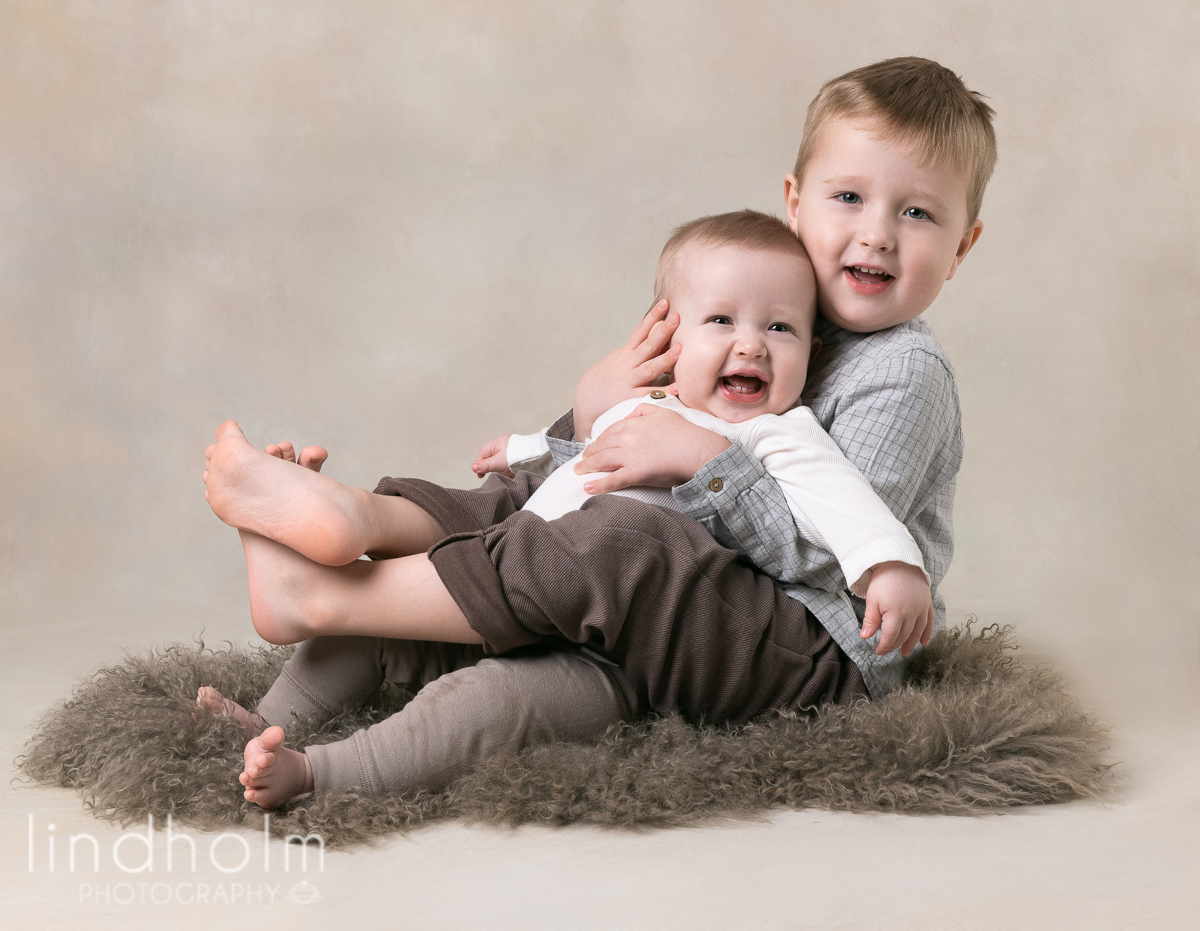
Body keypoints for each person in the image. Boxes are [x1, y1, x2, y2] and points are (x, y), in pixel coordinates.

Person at [200, 56, 995, 809]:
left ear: (963, 246)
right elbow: (630, 448)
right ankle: (316, 626)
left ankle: (321, 598)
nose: (878, 234)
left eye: (917, 213)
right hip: (673, 616)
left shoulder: (902, 372)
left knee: (619, 540)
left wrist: (707, 461)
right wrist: (586, 417)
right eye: (849, 198)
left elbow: (833, 558)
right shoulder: (764, 296)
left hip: (808, 652)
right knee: (523, 520)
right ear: (795, 201)